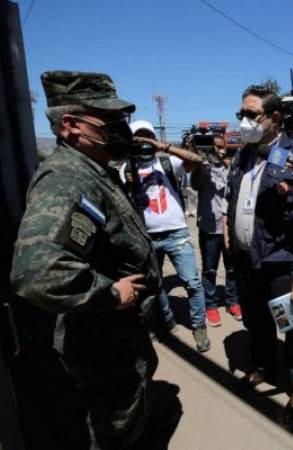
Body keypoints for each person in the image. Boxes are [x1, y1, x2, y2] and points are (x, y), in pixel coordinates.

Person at [11, 71, 167, 449]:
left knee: (131, 415)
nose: (120, 129)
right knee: (114, 430)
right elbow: (36, 272)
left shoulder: (94, 169)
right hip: (103, 345)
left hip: (122, 340)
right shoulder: (66, 180)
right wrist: (110, 294)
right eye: (108, 121)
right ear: (70, 125)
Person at [224, 85, 293, 420]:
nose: (243, 121)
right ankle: (266, 367)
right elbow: (232, 203)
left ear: (275, 118)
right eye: (241, 114)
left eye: (251, 115)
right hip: (246, 262)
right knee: (257, 323)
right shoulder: (242, 155)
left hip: (283, 265)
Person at [123, 120, 210, 353]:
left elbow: (196, 160)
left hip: (177, 232)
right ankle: (167, 321)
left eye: (146, 137)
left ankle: (199, 325)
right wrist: (127, 185)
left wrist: (161, 146)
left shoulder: (167, 161)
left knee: (192, 282)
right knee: (155, 284)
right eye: (138, 138)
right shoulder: (125, 168)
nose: (143, 142)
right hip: (146, 236)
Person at [191, 134, 241, 326]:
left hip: (229, 227)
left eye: (224, 147)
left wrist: (230, 166)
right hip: (210, 228)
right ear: (209, 149)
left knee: (232, 268)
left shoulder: (232, 167)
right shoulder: (203, 168)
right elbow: (196, 184)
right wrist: (196, 159)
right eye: (217, 147)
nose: (221, 151)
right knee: (210, 270)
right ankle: (210, 306)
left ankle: (232, 301)